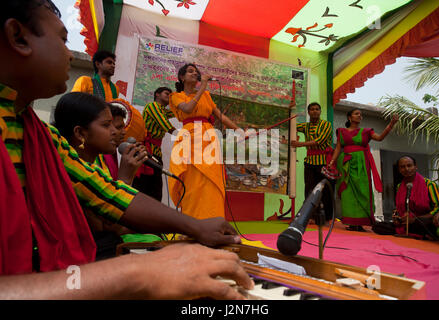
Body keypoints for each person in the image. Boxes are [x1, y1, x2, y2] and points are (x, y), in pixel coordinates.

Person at [0, 0, 252, 299]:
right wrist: (136, 272)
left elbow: (106, 193)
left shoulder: (39, 133)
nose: (69, 53)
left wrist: (195, 226)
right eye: (62, 40)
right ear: (18, 37)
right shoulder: (170, 99)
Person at [53, 92, 149, 259]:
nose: (117, 132)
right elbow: (106, 227)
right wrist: (126, 178)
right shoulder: (73, 170)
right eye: (107, 126)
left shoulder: (101, 161)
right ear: (80, 133)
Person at [168, 63, 243, 219]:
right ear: (182, 77)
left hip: (209, 138)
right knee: (192, 181)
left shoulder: (206, 96)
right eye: (190, 72)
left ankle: (213, 220)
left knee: (210, 181)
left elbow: (220, 116)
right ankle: (191, 221)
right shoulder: (175, 96)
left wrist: (238, 130)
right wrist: (202, 86)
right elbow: (188, 109)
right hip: (189, 137)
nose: (194, 74)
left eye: (196, 72)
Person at [328, 108, 398, 231]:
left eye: (361, 114)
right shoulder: (341, 131)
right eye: (356, 114)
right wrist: (332, 162)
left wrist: (391, 125)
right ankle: (351, 222)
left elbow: (380, 138)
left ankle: (361, 222)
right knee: (347, 193)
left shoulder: (366, 132)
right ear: (349, 117)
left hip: (361, 164)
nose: (360, 116)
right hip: (345, 165)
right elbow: (338, 148)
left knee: (363, 191)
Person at [372, 156, 439, 242]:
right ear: (399, 170)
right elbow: (398, 208)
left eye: (409, 165)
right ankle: (415, 232)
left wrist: (415, 219)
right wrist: (397, 218)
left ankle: (418, 232)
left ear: (415, 167)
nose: (406, 169)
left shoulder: (429, 184)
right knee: (378, 226)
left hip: (422, 221)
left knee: (421, 223)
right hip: (405, 222)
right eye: (402, 167)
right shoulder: (399, 186)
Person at [283, 102, 334, 222]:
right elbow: (290, 124)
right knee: (309, 190)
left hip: (323, 162)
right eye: (312, 109)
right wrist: (291, 110)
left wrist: (300, 144)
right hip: (310, 162)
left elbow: (319, 141)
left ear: (320, 111)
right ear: (308, 112)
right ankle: (310, 217)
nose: (315, 111)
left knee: (324, 191)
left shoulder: (326, 125)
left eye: (317, 109)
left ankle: (325, 218)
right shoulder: (306, 126)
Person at [133, 86, 175, 201]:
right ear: (157, 94)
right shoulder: (152, 106)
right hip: (145, 151)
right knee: (145, 187)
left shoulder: (164, 111)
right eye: (167, 93)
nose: (169, 97)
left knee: (154, 189)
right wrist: (185, 136)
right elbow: (165, 125)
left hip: (154, 153)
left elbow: (179, 112)